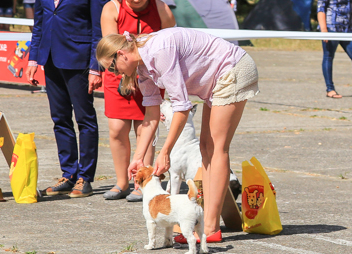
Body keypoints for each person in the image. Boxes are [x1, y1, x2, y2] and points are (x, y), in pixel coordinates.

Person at [97, 28, 259, 243]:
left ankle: (210, 229)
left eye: (113, 69)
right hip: (216, 79)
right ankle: (205, 224)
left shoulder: (159, 51)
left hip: (233, 68)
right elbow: (152, 114)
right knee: (205, 147)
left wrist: (165, 152)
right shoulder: (142, 67)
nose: (116, 75)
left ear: (121, 54)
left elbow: (181, 107)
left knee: (217, 147)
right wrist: (138, 157)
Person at [25, 0, 109, 198]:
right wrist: (34, 57)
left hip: (80, 61)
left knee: (85, 119)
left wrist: (97, 67)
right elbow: (39, 22)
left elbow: (100, 30)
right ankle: (68, 173)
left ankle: (85, 177)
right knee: (59, 118)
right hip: (50, 58)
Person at [100, 0, 176, 201]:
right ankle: (122, 181)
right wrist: (125, 77)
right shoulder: (111, 9)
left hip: (150, 77)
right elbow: (110, 50)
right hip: (118, 74)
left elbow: (172, 45)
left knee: (145, 128)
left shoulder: (161, 8)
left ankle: (142, 181)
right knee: (117, 129)